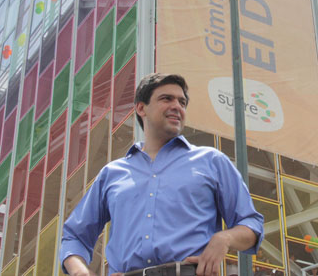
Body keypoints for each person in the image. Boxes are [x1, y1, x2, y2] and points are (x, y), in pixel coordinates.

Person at [59, 73, 264, 276]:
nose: (177, 106)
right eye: (167, 99)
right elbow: (74, 237)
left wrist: (224, 239)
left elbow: (251, 225)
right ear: (141, 108)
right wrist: (80, 273)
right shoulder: (112, 174)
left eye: (182, 102)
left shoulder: (212, 161)